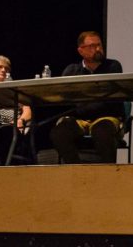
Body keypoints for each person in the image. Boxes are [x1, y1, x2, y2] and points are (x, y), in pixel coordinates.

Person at [49, 31, 125, 164]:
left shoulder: (113, 66)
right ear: (81, 51)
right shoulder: (72, 70)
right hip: (79, 120)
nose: (97, 49)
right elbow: (66, 99)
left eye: (99, 45)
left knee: (103, 132)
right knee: (59, 133)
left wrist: (83, 106)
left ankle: (109, 176)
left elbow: (110, 101)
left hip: (106, 116)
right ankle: (77, 171)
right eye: (92, 46)